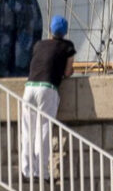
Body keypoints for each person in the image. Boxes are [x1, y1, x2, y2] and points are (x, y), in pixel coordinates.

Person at [20, 14, 76, 180]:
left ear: (50, 30)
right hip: (47, 88)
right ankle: (41, 172)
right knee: (43, 130)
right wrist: (69, 71)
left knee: (27, 130)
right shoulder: (67, 47)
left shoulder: (39, 45)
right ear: (64, 32)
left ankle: (26, 170)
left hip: (29, 88)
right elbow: (67, 72)